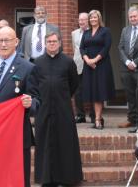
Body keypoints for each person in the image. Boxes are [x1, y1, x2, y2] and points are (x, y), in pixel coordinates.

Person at [0, 27, 39, 187]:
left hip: (16, 137)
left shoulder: (28, 68)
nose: (3, 44)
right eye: (0, 40)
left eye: (7, 40)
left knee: (17, 180)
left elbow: (38, 102)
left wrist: (30, 103)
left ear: (16, 42)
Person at [32, 32, 83, 186]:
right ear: (45, 44)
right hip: (44, 109)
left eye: (54, 41)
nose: (52, 44)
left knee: (65, 143)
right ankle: (46, 178)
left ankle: (67, 178)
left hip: (63, 109)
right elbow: (33, 85)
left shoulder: (68, 62)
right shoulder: (38, 62)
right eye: (49, 41)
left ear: (60, 43)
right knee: (45, 143)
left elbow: (74, 84)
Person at [80, 9, 114, 129]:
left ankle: (98, 119)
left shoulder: (105, 31)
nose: (93, 19)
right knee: (92, 92)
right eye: (91, 18)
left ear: (99, 18)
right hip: (88, 66)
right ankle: (97, 118)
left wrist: (95, 60)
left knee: (99, 92)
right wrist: (87, 60)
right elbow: (82, 48)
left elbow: (106, 47)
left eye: (95, 17)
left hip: (101, 65)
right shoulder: (86, 32)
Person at [119, 7, 138, 130]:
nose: (133, 19)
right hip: (126, 68)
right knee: (130, 95)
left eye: (135, 16)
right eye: (131, 17)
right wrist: (127, 61)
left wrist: (135, 62)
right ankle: (132, 119)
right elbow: (121, 48)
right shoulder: (125, 30)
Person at [71, 12, 89, 123]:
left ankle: (93, 115)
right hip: (78, 64)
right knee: (77, 91)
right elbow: (75, 49)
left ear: (88, 21)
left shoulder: (92, 33)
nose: (81, 22)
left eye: (84, 19)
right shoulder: (74, 33)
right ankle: (80, 115)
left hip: (90, 64)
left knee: (91, 89)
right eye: (80, 19)